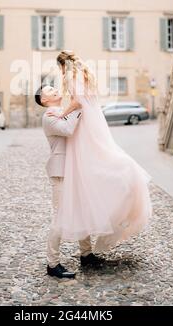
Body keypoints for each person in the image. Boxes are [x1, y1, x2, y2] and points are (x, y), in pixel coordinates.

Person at [46, 50, 153, 253]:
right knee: (101, 156)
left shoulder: (70, 76)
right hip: (95, 122)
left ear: (62, 66)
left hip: (84, 123)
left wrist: (63, 114)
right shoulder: (85, 74)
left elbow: (77, 102)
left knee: (87, 165)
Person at [35, 84, 105, 279]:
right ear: (44, 100)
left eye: (53, 87)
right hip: (60, 172)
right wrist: (78, 107)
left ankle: (86, 254)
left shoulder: (65, 110)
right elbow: (67, 129)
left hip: (74, 170)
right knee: (60, 217)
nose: (54, 89)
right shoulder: (49, 116)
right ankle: (52, 263)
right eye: (48, 90)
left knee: (82, 211)